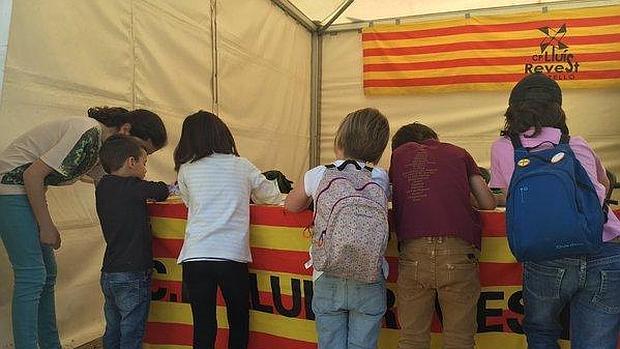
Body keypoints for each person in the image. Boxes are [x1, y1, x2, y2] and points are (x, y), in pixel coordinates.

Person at [0, 107, 167, 349]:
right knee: (32, 276)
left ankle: (50, 345)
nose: (139, 157)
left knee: (47, 275)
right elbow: (32, 175)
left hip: (26, 193)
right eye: (140, 149)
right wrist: (46, 225)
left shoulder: (102, 152)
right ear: (126, 130)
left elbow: (112, 187)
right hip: (9, 189)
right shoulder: (87, 131)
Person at [489, 73, 620, 349]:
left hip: (545, 254)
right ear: (558, 109)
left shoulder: (503, 147)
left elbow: (503, 196)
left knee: (541, 333)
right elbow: (605, 186)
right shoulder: (576, 143)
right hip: (603, 248)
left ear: (512, 110)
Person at [174, 110, 281, 349]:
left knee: (203, 325)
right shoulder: (242, 166)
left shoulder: (186, 169)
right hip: (231, 256)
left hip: (195, 255)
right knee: (239, 321)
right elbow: (271, 196)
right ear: (223, 134)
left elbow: (189, 202)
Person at [285, 107, 390, 349]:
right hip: (370, 275)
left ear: (339, 140)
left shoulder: (319, 173)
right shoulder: (380, 177)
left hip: (327, 272)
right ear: (379, 148)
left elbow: (291, 205)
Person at [389, 122, 496, 349]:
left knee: (412, 339)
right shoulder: (459, 153)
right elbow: (487, 202)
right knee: (460, 339)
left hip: (413, 252)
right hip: (458, 252)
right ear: (433, 138)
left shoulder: (398, 157)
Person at [95, 135, 169, 349]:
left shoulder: (103, 186)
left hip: (109, 271)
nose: (145, 170)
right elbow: (160, 191)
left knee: (113, 328)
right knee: (132, 331)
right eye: (144, 163)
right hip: (133, 273)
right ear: (131, 162)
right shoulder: (132, 187)